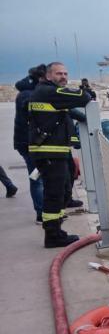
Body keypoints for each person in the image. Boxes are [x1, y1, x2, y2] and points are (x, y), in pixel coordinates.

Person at [28, 62, 91, 247]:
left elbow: (70, 111)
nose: (63, 76)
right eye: (59, 73)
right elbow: (83, 97)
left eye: (65, 73)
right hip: (50, 152)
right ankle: (53, 236)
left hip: (54, 151)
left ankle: (56, 230)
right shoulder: (49, 92)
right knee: (53, 193)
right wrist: (85, 91)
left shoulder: (46, 93)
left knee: (60, 191)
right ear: (48, 76)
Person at [13, 65, 45, 220]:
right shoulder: (27, 95)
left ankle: (44, 210)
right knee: (36, 177)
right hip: (29, 143)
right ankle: (41, 213)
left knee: (39, 175)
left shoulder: (29, 92)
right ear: (40, 78)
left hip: (31, 142)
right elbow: (33, 114)